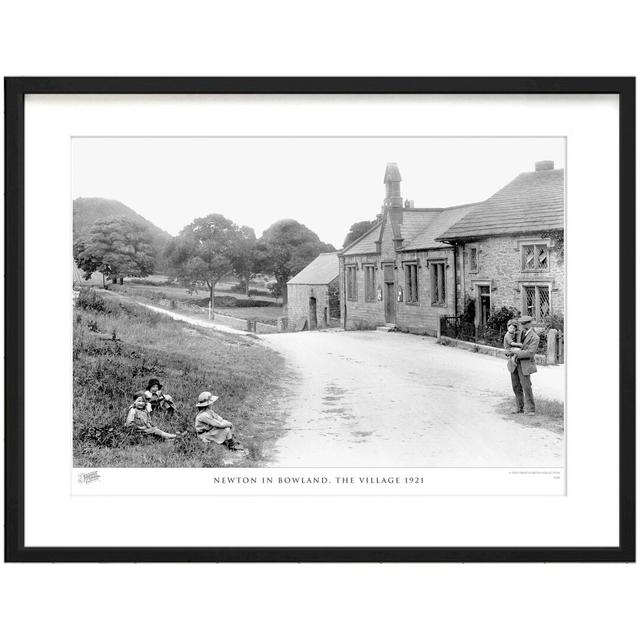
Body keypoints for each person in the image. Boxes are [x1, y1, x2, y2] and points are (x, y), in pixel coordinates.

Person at [510, 315, 540, 415]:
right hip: (514, 363)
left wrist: (516, 352)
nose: (523, 326)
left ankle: (531, 409)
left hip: (525, 364)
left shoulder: (535, 337)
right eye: (522, 324)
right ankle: (519, 408)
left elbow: (530, 353)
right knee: (515, 386)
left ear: (530, 323)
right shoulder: (519, 333)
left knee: (526, 386)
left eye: (525, 323)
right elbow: (511, 344)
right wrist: (510, 351)